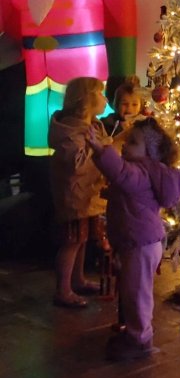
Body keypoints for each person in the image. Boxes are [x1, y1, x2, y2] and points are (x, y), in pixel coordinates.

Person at [89, 117, 180, 361]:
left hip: (141, 243)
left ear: (150, 152)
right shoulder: (144, 170)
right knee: (132, 289)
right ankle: (133, 331)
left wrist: (101, 149)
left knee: (137, 293)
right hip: (138, 241)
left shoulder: (141, 171)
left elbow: (122, 173)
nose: (125, 145)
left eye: (132, 142)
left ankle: (140, 340)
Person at [49, 77, 108, 308]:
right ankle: (63, 290)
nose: (104, 99)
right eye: (101, 94)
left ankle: (78, 279)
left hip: (88, 194)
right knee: (72, 241)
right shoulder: (70, 131)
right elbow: (77, 164)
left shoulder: (93, 125)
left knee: (82, 239)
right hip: (74, 196)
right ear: (86, 100)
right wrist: (101, 147)